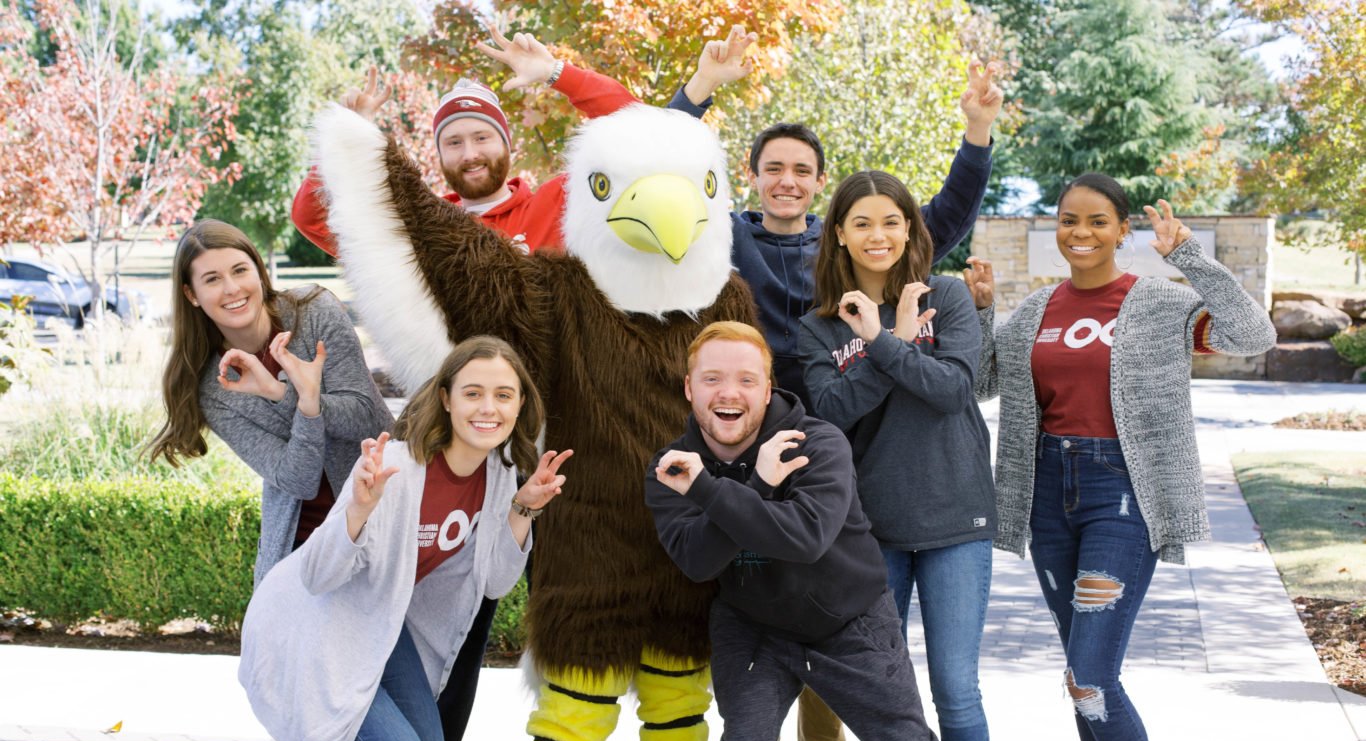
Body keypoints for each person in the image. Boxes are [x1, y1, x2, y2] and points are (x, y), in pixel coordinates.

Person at [967, 175, 1276, 741]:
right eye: (1068, 221)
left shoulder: (1161, 303)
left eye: (1097, 221)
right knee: (1083, 678)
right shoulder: (1038, 310)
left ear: (1122, 230)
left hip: (1124, 495)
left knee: (1090, 678)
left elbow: (1254, 334)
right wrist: (983, 314)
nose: (1080, 233)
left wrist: (1189, 258)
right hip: (1048, 492)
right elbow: (982, 384)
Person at [237, 336, 573, 741]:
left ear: (520, 404)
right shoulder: (395, 468)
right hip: (316, 624)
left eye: (503, 395)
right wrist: (358, 509)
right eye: (473, 393)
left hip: (382, 626)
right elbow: (317, 576)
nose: (488, 408)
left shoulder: (501, 476)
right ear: (446, 399)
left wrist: (523, 509)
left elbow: (494, 582)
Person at [646, 321, 953, 741]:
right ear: (689, 388)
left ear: (768, 390)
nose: (729, 393)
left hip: (848, 621)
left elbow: (805, 538)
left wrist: (712, 492)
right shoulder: (674, 467)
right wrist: (758, 483)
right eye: (712, 379)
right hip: (753, 623)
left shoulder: (819, 442)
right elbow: (697, 560)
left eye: (746, 380)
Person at [668, 25, 1002, 411]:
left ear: (820, 181)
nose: (787, 182)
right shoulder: (724, 235)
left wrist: (978, 128)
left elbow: (948, 214)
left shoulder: (850, 240)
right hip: (749, 411)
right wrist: (703, 82)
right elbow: (666, 173)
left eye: (802, 171)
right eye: (774, 169)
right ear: (752, 176)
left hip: (845, 409)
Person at [797, 170, 995, 741]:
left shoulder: (948, 297)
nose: (877, 235)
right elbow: (832, 412)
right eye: (861, 223)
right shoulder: (818, 327)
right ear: (838, 235)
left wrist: (883, 342)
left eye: (890, 221)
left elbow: (954, 390)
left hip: (956, 516)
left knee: (956, 692)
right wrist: (893, 343)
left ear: (909, 229)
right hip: (870, 528)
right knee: (890, 699)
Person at [148, 218, 393, 587]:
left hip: (385, 524)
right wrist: (303, 404)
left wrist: (283, 393)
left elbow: (368, 422)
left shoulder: (315, 313)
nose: (232, 288)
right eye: (212, 279)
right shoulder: (214, 387)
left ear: (259, 271)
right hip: (302, 548)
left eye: (239, 270)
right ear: (191, 294)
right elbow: (299, 481)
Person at [291, 26, 639, 256]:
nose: (470, 154)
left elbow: (635, 128)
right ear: (439, 154)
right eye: (454, 143)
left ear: (507, 143)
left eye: (482, 137)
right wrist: (344, 137)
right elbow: (312, 219)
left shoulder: (559, 202)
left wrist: (556, 73)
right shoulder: (421, 229)